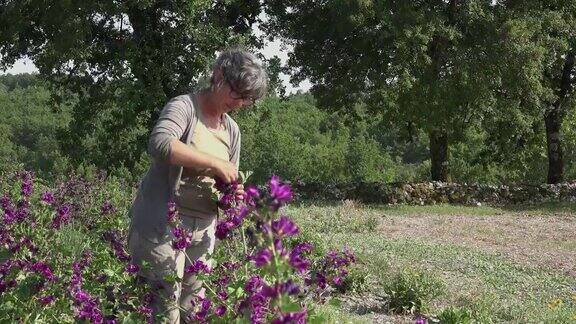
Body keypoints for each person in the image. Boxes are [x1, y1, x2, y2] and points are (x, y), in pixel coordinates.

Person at [127, 48, 267, 323]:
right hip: (162, 227)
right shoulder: (184, 107)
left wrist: (232, 191)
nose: (238, 102)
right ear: (217, 75)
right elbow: (161, 144)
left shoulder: (232, 130)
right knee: (162, 312)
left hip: (203, 231)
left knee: (193, 312)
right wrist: (215, 164)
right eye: (236, 92)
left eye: (246, 98)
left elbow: (227, 178)